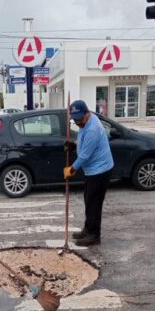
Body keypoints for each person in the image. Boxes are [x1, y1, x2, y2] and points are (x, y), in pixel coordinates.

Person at [64, 100, 114, 247]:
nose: (78, 122)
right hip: (94, 170)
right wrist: (74, 145)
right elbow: (83, 141)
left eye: (80, 118)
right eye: (75, 119)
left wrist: (71, 170)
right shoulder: (87, 122)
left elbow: (85, 156)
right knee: (89, 200)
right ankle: (88, 228)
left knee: (94, 203)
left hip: (100, 171)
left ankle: (94, 235)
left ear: (87, 113)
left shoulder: (92, 128)